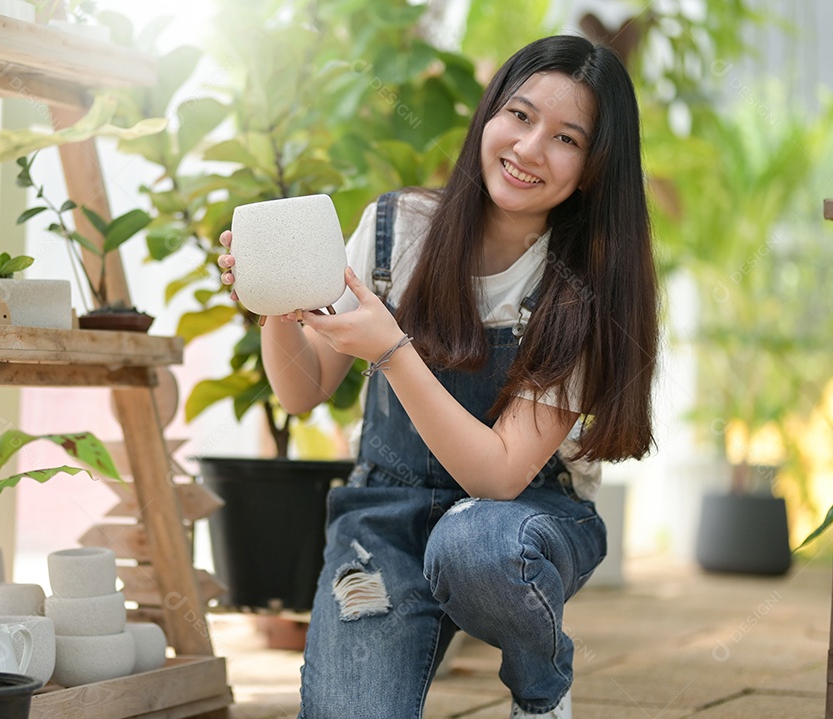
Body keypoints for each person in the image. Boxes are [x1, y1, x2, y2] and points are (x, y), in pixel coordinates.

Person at [217, 34, 657, 719]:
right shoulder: (397, 230)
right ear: (487, 116)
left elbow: (498, 477)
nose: (531, 147)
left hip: (522, 521)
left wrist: (394, 350)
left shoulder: (581, 290)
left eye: (567, 138)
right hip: (383, 519)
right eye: (519, 114)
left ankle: (542, 690)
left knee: (473, 540)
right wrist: (275, 297)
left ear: (595, 167)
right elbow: (301, 391)